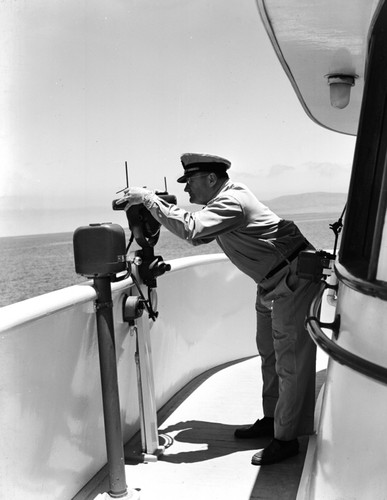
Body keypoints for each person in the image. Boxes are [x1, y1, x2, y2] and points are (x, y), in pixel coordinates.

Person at [117, 153, 319, 466]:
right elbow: (198, 238)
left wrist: (148, 199)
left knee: (289, 361)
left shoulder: (231, 202)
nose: (186, 190)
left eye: (190, 182)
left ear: (211, 179)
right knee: (270, 354)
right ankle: (272, 419)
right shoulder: (220, 204)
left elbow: (191, 230)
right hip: (271, 282)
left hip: (292, 281)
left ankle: (286, 438)